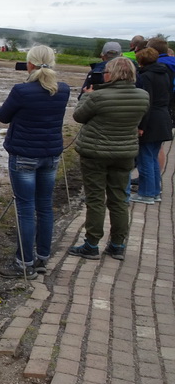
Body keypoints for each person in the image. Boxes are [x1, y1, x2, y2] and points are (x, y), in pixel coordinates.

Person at [0, 46, 71, 278]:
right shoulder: (63, 90)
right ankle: (42, 258)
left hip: (24, 156)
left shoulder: (22, 91)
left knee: (26, 209)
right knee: (45, 206)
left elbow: (2, 116)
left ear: (30, 64)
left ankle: (24, 263)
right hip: (51, 155)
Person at [68, 57, 149, 261]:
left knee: (95, 199)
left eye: (106, 72)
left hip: (95, 153)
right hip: (125, 153)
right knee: (120, 199)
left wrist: (87, 97)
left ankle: (91, 245)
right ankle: (117, 245)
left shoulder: (99, 97)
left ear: (111, 74)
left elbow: (79, 116)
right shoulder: (143, 96)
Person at [129, 47, 173, 204]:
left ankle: (146, 194)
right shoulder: (164, 73)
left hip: (152, 120)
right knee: (152, 157)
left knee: (145, 158)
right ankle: (154, 192)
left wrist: (141, 126)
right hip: (163, 118)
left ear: (141, 60)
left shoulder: (147, 76)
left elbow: (146, 102)